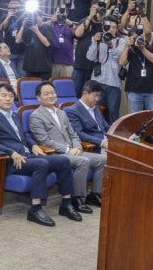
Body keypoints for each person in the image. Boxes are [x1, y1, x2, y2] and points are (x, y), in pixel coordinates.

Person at [0, 83, 81, 226]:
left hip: (28, 156)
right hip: (12, 161)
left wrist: (33, 144)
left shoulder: (13, 115)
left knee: (63, 161)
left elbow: (21, 137)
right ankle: (35, 209)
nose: (8, 99)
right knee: (42, 163)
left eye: (10, 96)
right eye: (4, 96)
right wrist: (11, 153)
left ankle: (66, 204)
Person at [29, 81, 105, 211]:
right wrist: (68, 150)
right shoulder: (36, 116)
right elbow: (44, 141)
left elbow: (73, 133)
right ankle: (77, 198)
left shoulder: (61, 113)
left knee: (103, 160)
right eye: (46, 94)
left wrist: (77, 148)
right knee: (83, 161)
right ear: (38, 98)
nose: (50, 96)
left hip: (74, 150)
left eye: (52, 93)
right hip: (57, 154)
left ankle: (94, 194)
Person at [85, 16, 125, 124]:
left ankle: (112, 136)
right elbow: (89, 57)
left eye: (114, 27)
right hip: (98, 81)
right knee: (96, 110)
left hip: (114, 82)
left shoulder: (121, 42)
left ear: (117, 29)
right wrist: (94, 42)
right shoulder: (97, 40)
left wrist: (111, 45)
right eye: (109, 27)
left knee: (113, 112)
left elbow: (120, 59)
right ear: (103, 27)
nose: (111, 30)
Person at [119, 25, 153, 112]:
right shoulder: (131, 49)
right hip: (134, 89)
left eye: (139, 37)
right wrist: (126, 47)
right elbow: (122, 62)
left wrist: (142, 48)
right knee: (134, 119)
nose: (137, 40)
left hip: (152, 89)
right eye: (134, 38)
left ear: (143, 35)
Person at [66, 80, 111, 154]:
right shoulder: (73, 111)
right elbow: (79, 134)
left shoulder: (95, 108)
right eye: (95, 95)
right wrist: (102, 142)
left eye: (99, 96)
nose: (97, 99)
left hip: (109, 142)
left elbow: (106, 126)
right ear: (85, 93)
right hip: (95, 146)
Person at [73, 1, 106, 97]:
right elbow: (77, 34)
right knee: (77, 93)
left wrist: (102, 19)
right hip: (80, 65)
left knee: (93, 96)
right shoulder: (85, 21)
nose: (96, 11)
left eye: (99, 9)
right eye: (94, 8)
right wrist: (90, 17)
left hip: (96, 67)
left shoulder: (105, 24)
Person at [16, 13, 53, 80]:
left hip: (43, 67)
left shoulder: (47, 28)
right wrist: (23, 26)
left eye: (36, 17)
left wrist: (36, 31)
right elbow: (17, 41)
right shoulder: (27, 29)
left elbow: (47, 44)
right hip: (30, 66)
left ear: (42, 17)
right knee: (31, 88)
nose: (34, 19)